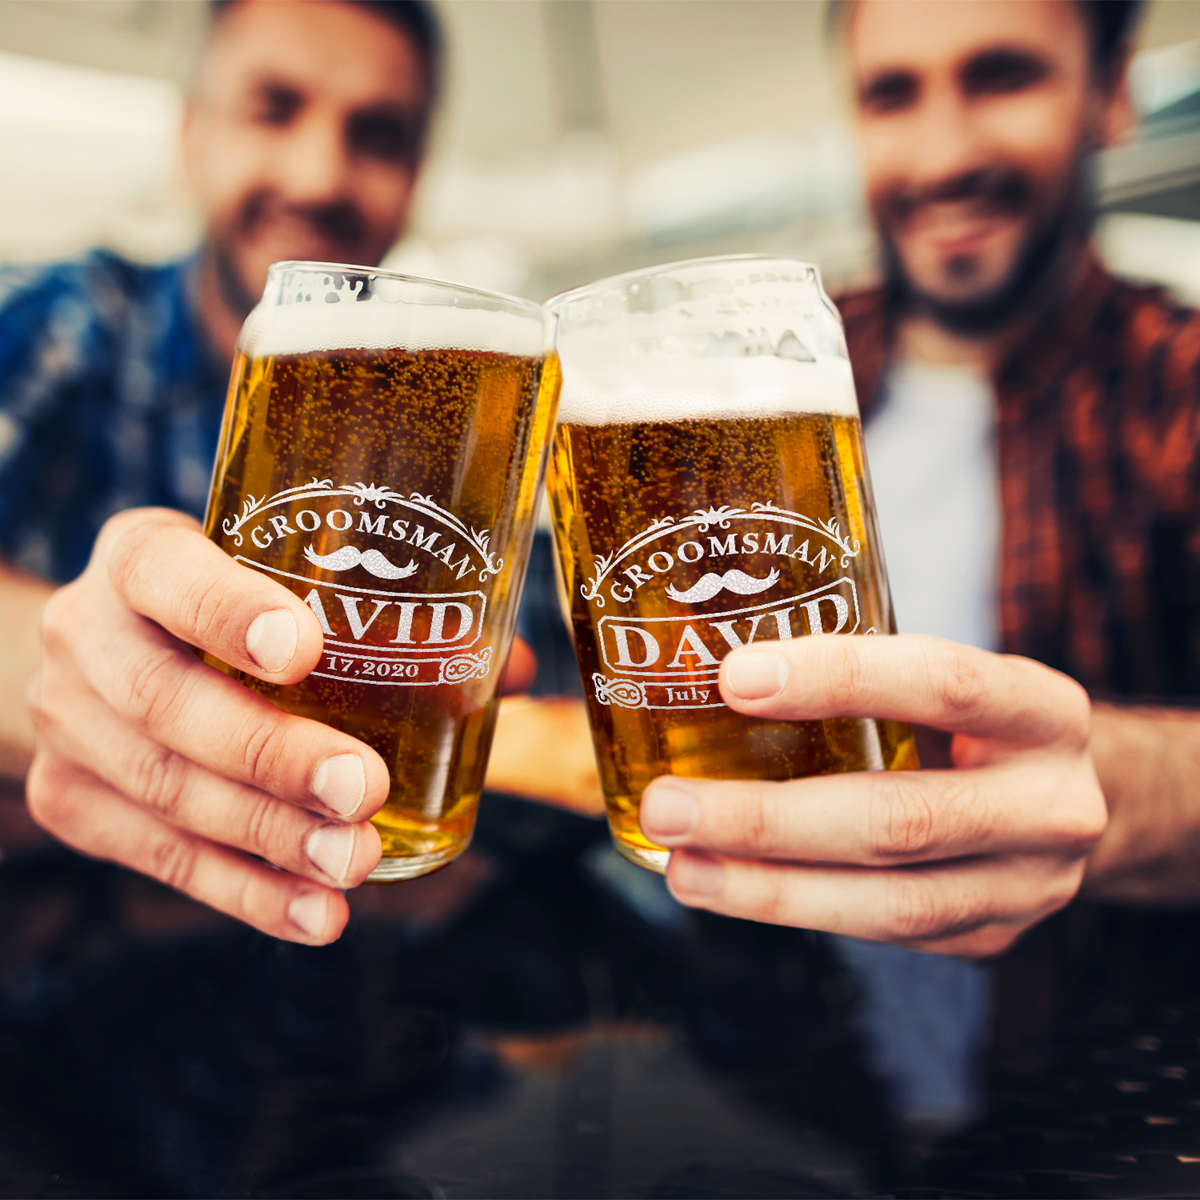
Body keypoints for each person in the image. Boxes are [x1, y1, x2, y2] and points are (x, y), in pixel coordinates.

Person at [639, 0, 1200, 960]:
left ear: (1111, 95)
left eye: (1001, 77)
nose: (942, 156)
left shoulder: (1176, 390)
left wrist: (1109, 793)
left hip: (1094, 1069)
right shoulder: (741, 387)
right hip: (800, 1068)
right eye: (892, 94)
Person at [0, 0, 548, 946]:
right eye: (274, 108)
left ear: (415, 175)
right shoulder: (70, 331)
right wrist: (61, 669)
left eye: (377, 134)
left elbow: (516, 672)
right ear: (192, 138)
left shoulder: (458, 413)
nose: (319, 173)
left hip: (357, 974)